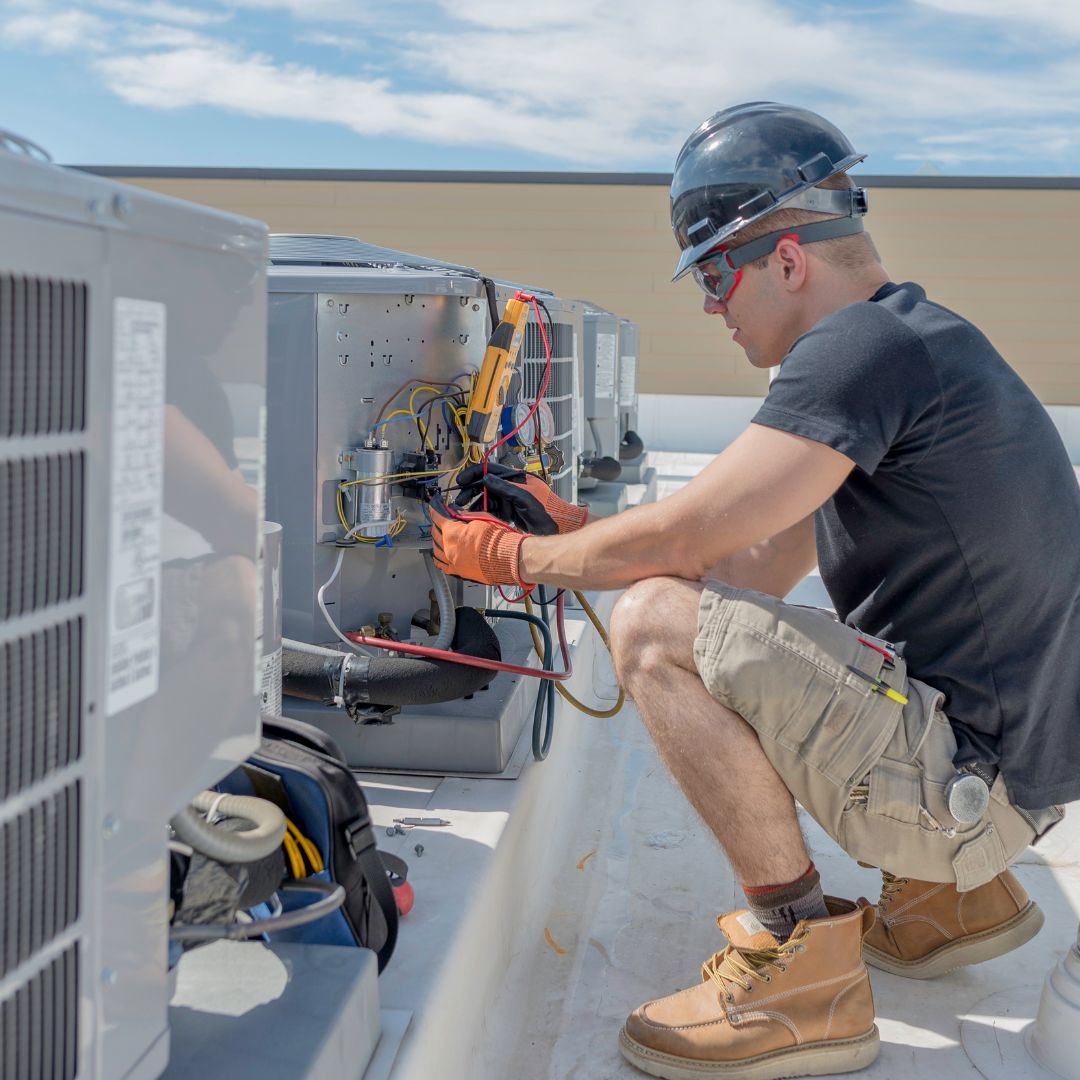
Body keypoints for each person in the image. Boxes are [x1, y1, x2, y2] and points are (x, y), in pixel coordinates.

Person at [429, 101, 1080, 1079]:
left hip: (970, 790)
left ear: (787, 259)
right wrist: (582, 536)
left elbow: (691, 539)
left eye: (715, 273)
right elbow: (745, 567)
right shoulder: (919, 344)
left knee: (652, 628)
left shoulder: (860, 351)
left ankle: (799, 976)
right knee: (709, 614)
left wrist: (510, 560)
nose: (707, 304)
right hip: (1006, 774)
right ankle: (953, 902)